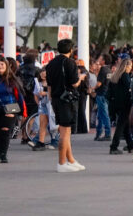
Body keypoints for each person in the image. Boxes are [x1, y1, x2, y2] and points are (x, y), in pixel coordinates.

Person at [46, 39, 88, 173]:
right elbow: (75, 83)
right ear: (71, 50)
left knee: (65, 131)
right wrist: (81, 78)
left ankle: (70, 160)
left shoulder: (51, 63)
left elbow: (49, 85)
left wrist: (51, 98)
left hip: (56, 99)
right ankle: (61, 162)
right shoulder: (70, 63)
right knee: (65, 132)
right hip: (66, 100)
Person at [0, 55, 26, 163]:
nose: (0, 66)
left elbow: (20, 97)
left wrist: (23, 111)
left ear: (6, 66)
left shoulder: (13, 80)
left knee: (5, 130)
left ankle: (4, 155)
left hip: (10, 107)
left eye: (2, 64)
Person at [107, 57, 133, 155]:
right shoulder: (125, 76)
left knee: (125, 125)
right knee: (121, 125)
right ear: (127, 66)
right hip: (124, 104)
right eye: (130, 65)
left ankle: (130, 145)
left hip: (116, 104)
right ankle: (114, 146)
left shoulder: (115, 76)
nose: (131, 67)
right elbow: (130, 88)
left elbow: (108, 93)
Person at [94, 53, 112, 141]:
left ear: (103, 61)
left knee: (104, 114)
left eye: (100, 59)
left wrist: (92, 88)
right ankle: (98, 132)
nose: (98, 60)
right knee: (101, 114)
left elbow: (99, 83)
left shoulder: (103, 70)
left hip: (101, 94)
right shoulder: (109, 70)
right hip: (106, 93)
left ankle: (107, 133)